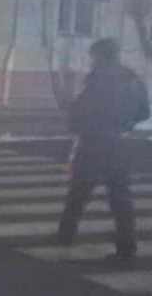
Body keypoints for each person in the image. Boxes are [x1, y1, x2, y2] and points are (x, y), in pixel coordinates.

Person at [56, 38, 150, 261]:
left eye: (94, 56)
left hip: (94, 143)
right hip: (120, 143)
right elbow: (144, 112)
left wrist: (72, 114)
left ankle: (65, 235)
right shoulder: (132, 78)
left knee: (79, 191)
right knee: (121, 197)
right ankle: (126, 246)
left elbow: (83, 111)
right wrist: (125, 123)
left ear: (101, 56)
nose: (92, 61)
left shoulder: (98, 79)